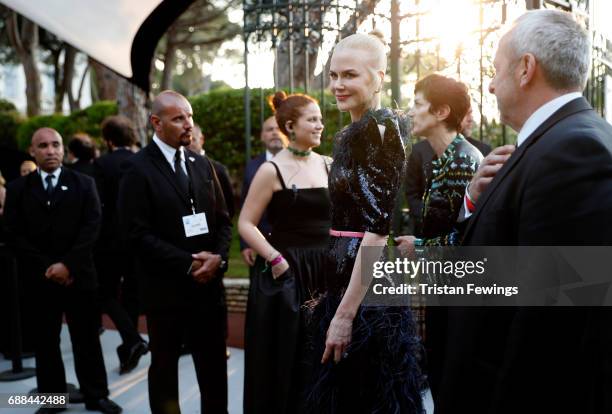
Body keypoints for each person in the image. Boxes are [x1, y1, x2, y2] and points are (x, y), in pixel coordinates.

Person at [437, 10, 612, 414]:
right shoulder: (561, 140)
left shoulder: (572, 150)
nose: (492, 85)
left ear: (526, 69)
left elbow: (549, 328)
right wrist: (473, 206)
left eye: (495, 70)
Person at [307, 32, 424, 412]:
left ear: (377, 77)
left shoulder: (379, 132)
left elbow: (375, 232)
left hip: (366, 295)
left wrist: (344, 315)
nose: (338, 85)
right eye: (334, 74)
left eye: (350, 75)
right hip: (345, 282)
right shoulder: (353, 133)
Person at [118, 90, 231, 414]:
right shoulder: (136, 169)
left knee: (213, 371)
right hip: (165, 293)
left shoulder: (201, 163)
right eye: (179, 118)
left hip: (208, 291)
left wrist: (218, 259)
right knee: (165, 370)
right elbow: (135, 234)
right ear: (156, 122)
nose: (188, 125)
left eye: (190, 117)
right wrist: (187, 264)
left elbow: (223, 221)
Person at [4, 128, 121, 414]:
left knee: (87, 341)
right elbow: (13, 233)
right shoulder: (19, 189)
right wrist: (47, 267)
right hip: (39, 280)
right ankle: (53, 401)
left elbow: (93, 227)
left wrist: (68, 264)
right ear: (32, 151)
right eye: (43, 146)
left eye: (55, 144)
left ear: (62, 149)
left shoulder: (84, 183)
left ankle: (96, 396)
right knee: (46, 344)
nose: (50, 150)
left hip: (79, 277)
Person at [239, 91, 331, 414]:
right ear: (290, 126)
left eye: (320, 118)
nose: (321, 125)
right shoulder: (271, 171)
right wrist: (275, 259)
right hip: (288, 276)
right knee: (288, 360)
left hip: (324, 272)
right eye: (312, 119)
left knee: (323, 358)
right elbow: (246, 224)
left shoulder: (328, 165)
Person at [395, 74, 481, 399]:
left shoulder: (461, 161)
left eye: (418, 104)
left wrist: (418, 246)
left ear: (441, 112)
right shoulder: (447, 157)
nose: (411, 111)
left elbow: (464, 243)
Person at [93, 115, 147, 374]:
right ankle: (130, 346)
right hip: (141, 240)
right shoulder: (144, 160)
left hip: (110, 241)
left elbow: (98, 206)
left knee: (105, 293)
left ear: (109, 140)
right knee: (132, 295)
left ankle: (133, 340)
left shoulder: (102, 164)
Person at [239, 116, 287, 266]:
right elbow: (244, 208)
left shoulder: (301, 164)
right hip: (260, 247)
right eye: (269, 129)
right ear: (262, 136)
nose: (274, 132)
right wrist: (246, 244)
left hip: (294, 246)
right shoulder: (252, 167)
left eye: (278, 129)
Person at [188, 124, 235, 219]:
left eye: (193, 139)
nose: (189, 143)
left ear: (202, 140)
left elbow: (229, 206)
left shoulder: (218, 169)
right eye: (187, 139)